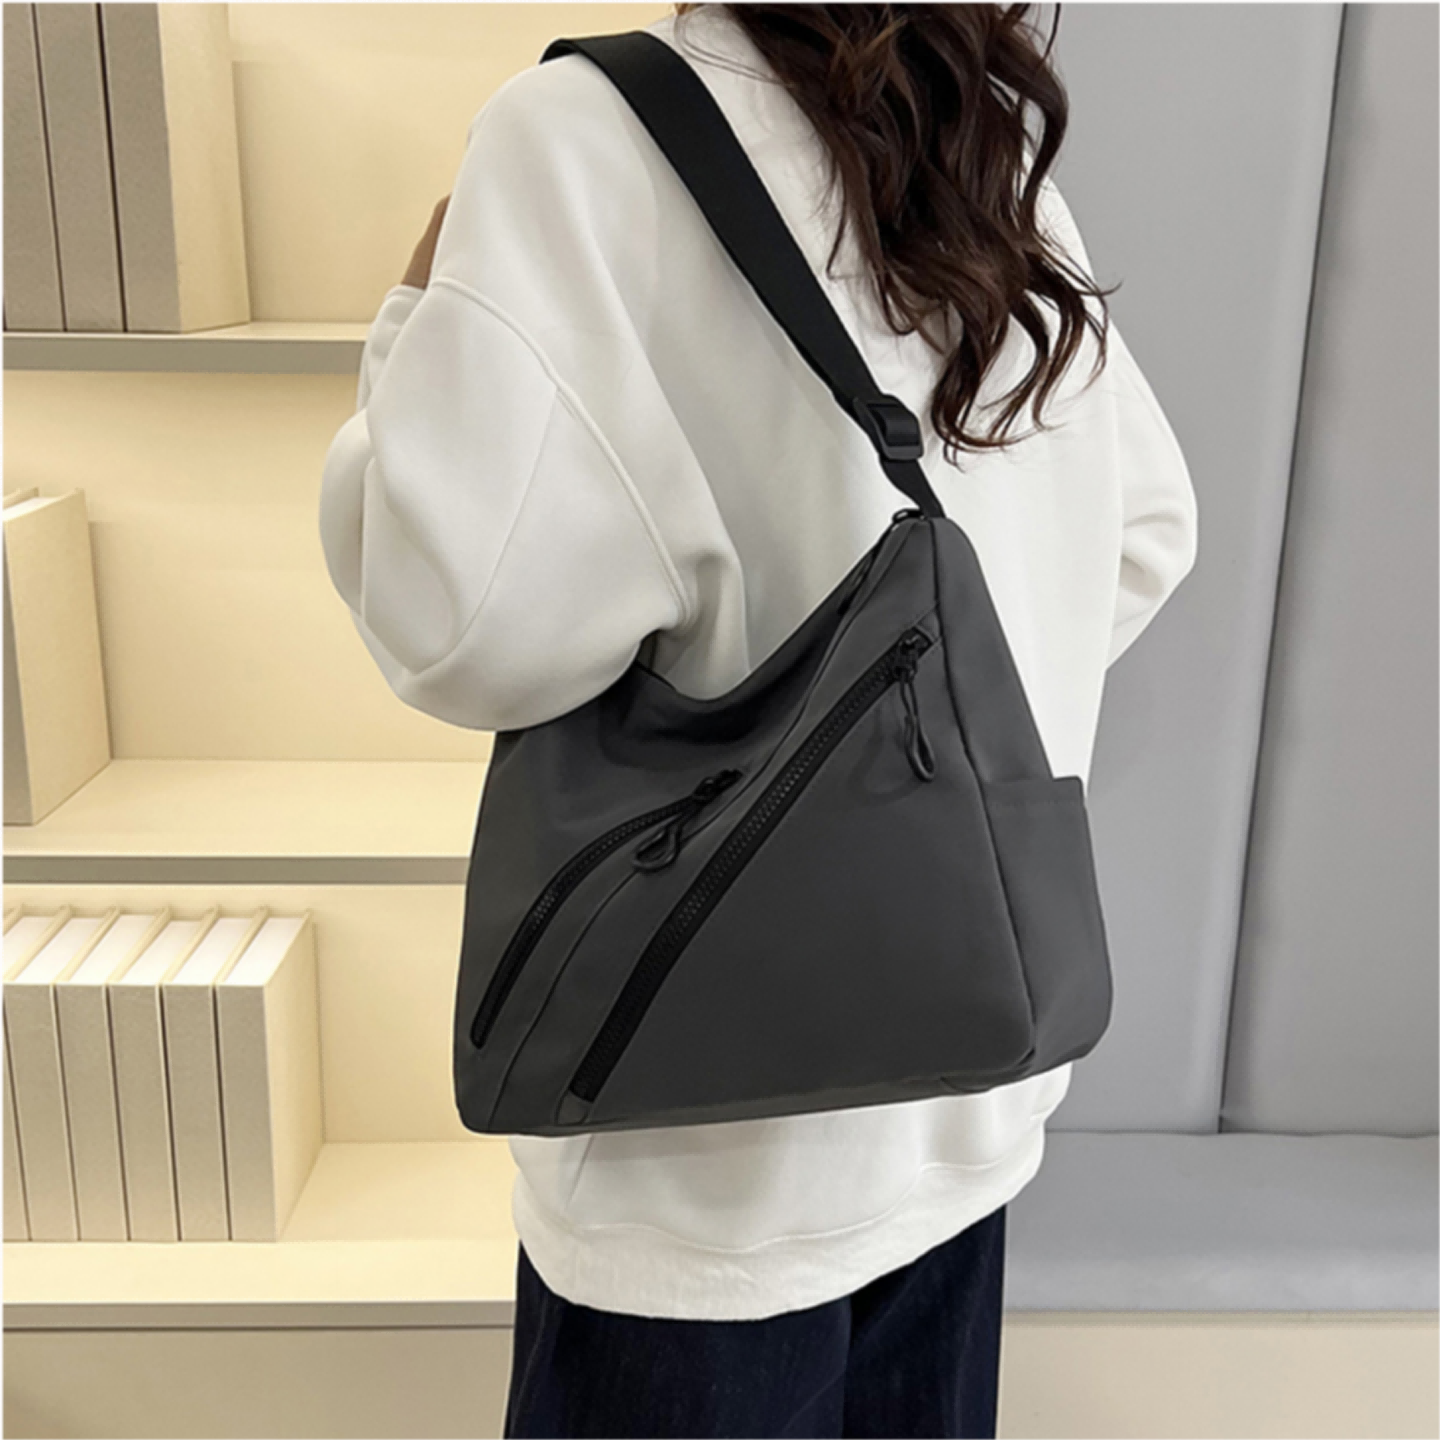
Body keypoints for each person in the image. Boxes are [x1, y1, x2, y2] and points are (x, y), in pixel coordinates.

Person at [318, 4, 1199, 1436]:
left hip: (697, 1165)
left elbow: (455, 626)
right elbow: (1146, 531)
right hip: (962, 1101)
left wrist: (413, 327)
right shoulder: (980, 146)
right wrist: (924, 746)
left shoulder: (580, 137)